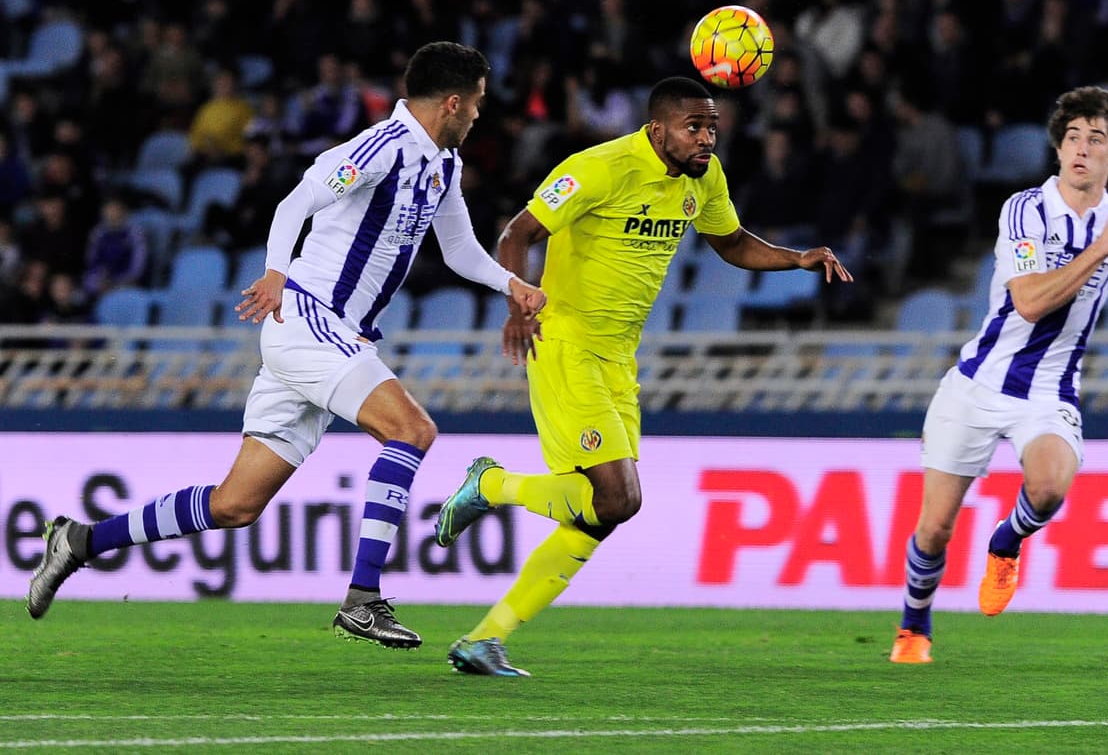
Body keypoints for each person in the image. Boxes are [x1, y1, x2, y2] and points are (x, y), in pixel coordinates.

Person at [25, 42, 546, 649]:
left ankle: (80, 541)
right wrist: (275, 271)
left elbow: (458, 250)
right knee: (412, 430)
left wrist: (513, 284)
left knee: (234, 506)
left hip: (329, 336)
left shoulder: (442, 166)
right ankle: (363, 598)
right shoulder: (381, 147)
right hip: (308, 318)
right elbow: (296, 200)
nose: (481, 114)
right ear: (452, 103)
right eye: (478, 103)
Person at [432, 76, 852, 676]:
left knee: (607, 512)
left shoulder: (703, 177)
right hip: (567, 342)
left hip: (619, 357)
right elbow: (516, 233)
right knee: (616, 496)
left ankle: (484, 639)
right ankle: (492, 485)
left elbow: (729, 242)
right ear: (658, 130)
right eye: (694, 128)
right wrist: (518, 302)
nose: (706, 138)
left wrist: (797, 258)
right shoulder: (599, 168)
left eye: (711, 128)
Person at [889, 86, 1108, 665]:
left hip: (1048, 392)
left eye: (1095, 139)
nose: (1081, 148)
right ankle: (914, 627)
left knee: (1049, 489)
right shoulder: (1026, 209)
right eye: (1072, 136)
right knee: (935, 530)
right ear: (1058, 148)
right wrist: (1102, 249)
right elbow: (1028, 303)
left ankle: (1006, 542)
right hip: (976, 385)